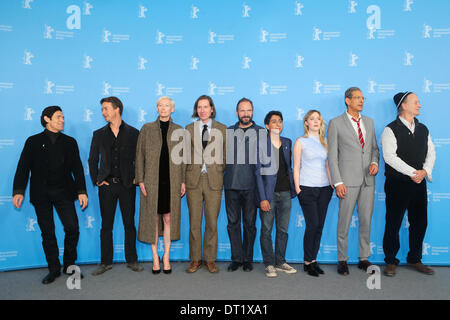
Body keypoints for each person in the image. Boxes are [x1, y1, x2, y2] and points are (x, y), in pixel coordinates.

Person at [12, 106, 88, 284]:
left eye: (63, 117)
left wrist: (82, 191)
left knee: (72, 228)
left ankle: (69, 264)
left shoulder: (70, 142)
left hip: (64, 192)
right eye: (58, 117)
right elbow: (23, 167)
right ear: (47, 119)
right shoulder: (33, 141)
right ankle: (53, 269)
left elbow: (77, 169)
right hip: (41, 194)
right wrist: (18, 191)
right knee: (48, 232)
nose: (63, 120)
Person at [382, 92, 436, 277]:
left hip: (419, 184)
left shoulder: (423, 129)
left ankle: (415, 258)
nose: (419, 105)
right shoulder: (390, 129)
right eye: (416, 102)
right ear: (403, 105)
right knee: (393, 223)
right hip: (398, 184)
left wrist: (425, 171)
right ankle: (390, 260)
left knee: (420, 222)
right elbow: (390, 157)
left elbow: (431, 153)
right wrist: (414, 172)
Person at [327, 87, 380, 275]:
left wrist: (374, 162)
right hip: (347, 181)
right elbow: (332, 156)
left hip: (368, 180)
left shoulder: (370, 122)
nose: (361, 101)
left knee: (366, 220)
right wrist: (338, 181)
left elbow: (374, 149)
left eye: (362, 97)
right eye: (357, 98)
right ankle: (342, 259)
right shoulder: (335, 123)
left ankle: (363, 258)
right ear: (347, 100)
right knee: (344, 221)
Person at [88, 96, 143, 275]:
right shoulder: (98, 134)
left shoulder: (134, 133)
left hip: (127, 186)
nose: (103, 112)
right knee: (106, 225)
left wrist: (137, 178)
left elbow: (141, 159)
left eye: (106, 108)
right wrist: (97, 179)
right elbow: (92, 159)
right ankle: (105, 262)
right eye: (102, 109)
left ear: (117, 109)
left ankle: (132, 260)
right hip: (107, 186)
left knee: (129, 224)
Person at [135, 96, 186, 274]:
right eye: (160, 105)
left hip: (172, 181)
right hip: (151, 181)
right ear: (157, 108)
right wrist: (140, 180)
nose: (163, 108)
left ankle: (166, 256)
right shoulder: (147, 129)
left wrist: (183, 181)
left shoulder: (179, 130)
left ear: (172, 109)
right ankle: (155, 256)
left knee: (168, 219)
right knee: (153, 219)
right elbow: (139, 156)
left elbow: (183, 159)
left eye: (167, 106)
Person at [184, 95, 227, 273]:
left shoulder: (222, 129)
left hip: (213, 181)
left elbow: (226, 154)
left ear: (211, 109)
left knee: (211, 222)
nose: (202, 110)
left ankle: (210, 259)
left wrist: (216, 167)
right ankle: (195, 259)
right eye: (199, 107)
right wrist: (182, 181)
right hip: (193, 180)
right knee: (194, 223)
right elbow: (184, 156)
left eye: (205, 107)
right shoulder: (188, 129)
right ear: (196, 110)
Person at [255, 111, 297, 278]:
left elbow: (289, 167)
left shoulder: (287, 142)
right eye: (274, 121)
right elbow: (257, 173)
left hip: (286, 192)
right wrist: (262, 198)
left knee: (283, 230)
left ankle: (280, 261)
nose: (277, 124)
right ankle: (269, 263)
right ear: (267, 126)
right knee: (266, 230)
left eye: (280, 121)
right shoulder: (260, 144)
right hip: (268, 194)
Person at [224, 98, 263, 272]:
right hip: (231, 184)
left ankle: (247, 259)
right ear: (237, 113)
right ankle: (236, 258)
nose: (245, 113)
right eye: (242, 110)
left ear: (252, 112)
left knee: (249, 224)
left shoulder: (261, 132)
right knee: (233, 223)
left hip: (252, 186)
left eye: (248, 110)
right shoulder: (228, 131)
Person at [293, 110, 333, 277]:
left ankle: (313, 260)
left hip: (325, 189)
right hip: (306, 188)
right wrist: (298, 189)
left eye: (318, 119)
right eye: (312, 119)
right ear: (306, 123)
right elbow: (295, 167)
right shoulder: (301, 142)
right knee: (312, 225)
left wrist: (331, 184)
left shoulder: (325, 142)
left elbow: (328, 165)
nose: (316, 121)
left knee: (319, 226)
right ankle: (307, 262)